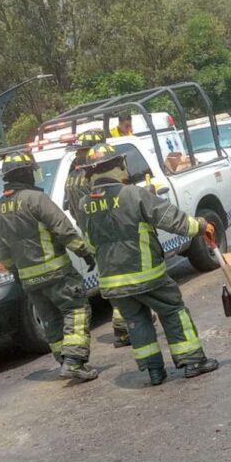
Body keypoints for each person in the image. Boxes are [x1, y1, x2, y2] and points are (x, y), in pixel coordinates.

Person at [80, 143, 219, 386]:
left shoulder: (84, 205)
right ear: (117, 166)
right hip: (146, 274)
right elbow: (170, 218)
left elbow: (91, 243)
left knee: (136, 322)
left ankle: (154, 371)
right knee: (173, 311)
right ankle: (192, 362)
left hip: (113, 282)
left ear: (91, 173)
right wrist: (200, 226)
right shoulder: (133, 194)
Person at [0, 151, 98, 381]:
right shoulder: (36, 199)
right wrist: (85, 252)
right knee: (76, 310)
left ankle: (63, 361)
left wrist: (16, 273)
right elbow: (63, 230)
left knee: (51, 320)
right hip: (56, 272)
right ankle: (74, 361)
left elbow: (1, 249)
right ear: (27, 172)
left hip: (30, 281)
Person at [65, 129, 132, 348]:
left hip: (91, 234)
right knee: (123, 280)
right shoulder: (89, 176)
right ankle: (125, 328)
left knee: (112, 280)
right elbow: (107, 200)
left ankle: (123, 328)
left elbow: (74, 208)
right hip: (108, 233)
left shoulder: (72, 176)